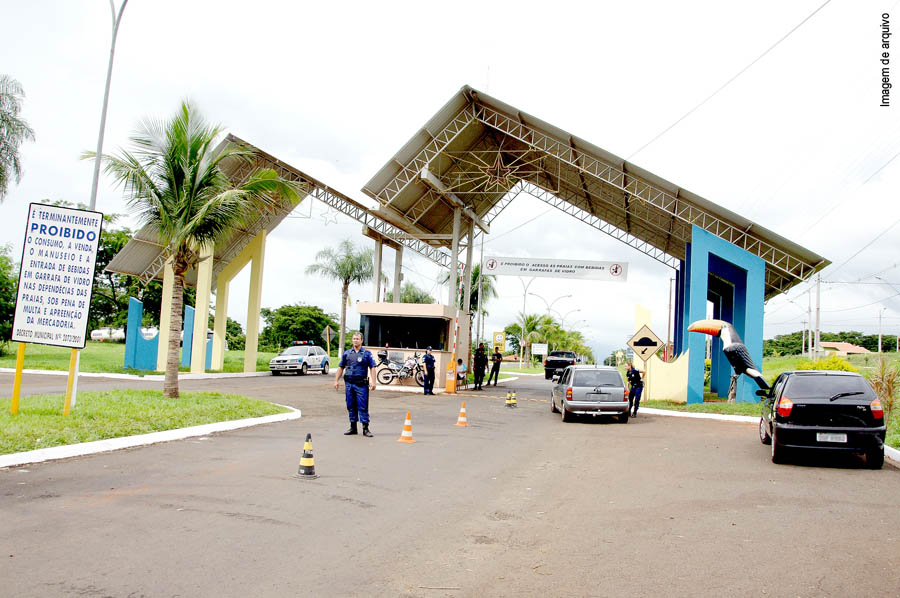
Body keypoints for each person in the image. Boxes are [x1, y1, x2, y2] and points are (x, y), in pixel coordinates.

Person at [334, 332, 377, 436]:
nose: (355, 340)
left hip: (361, 385)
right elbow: (341, 367)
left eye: (357, 339)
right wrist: (336, 380)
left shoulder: (367, 354)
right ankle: (353, 427)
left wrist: (373, 382)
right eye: (354, 339)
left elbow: (373, 367)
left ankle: (365, 428)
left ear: (361, 340)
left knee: (362, 406)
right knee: (350, 405)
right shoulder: (347, 353)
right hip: (349, 384)